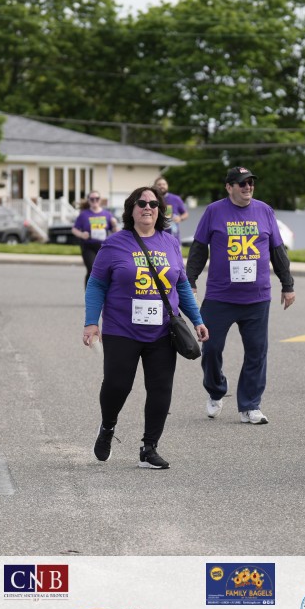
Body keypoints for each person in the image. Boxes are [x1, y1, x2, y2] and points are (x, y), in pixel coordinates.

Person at [83, 186, 209, 470]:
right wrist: (91, 322)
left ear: (160, 210)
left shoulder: (170, 243)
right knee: (117, 385)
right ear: (131, 209)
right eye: (141, 203)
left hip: (162, 331)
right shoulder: (114, 244)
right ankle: (107, 427)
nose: (147, 207)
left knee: (160, 388)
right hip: (121, 329)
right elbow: (97, 284)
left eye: (153, 204)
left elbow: (181, 286)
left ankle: (149, 448)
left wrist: (197, 320)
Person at [185, 166, 295, 425]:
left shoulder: (264, 211)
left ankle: (250, 405)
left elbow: (277, 250)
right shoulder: (214, 211)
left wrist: (287, 284)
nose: (248, 187)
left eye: (251, 183)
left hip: (257, 298)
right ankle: (216, 390)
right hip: (220, 297)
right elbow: (199, 249)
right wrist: (190, 281)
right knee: (211, 348)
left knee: (257, 352)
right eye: (242, 183)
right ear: (229, 187)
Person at [72, 191, 118, 288]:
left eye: (97, 199)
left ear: (100, 200)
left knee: (105, 271)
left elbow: (116, 232)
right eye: (92, 199)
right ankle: (89, 293)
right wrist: (81, 234)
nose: (94, 201)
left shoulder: (107, 214)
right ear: (88, 200)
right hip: (88, 246)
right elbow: (74, 229)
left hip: (103, 247)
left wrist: (114, 224)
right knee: (92, 269)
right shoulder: (84, 214)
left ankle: (101, 292)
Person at [154, 176, 189, 241]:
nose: (162, 186)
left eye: (164, 184)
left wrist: (180, 218)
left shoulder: (176, 199)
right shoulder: (152, 199)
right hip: (156, 237)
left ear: (167, 185)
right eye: (159, 185)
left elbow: (185, 214)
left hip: (173, 236)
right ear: (155, 186)